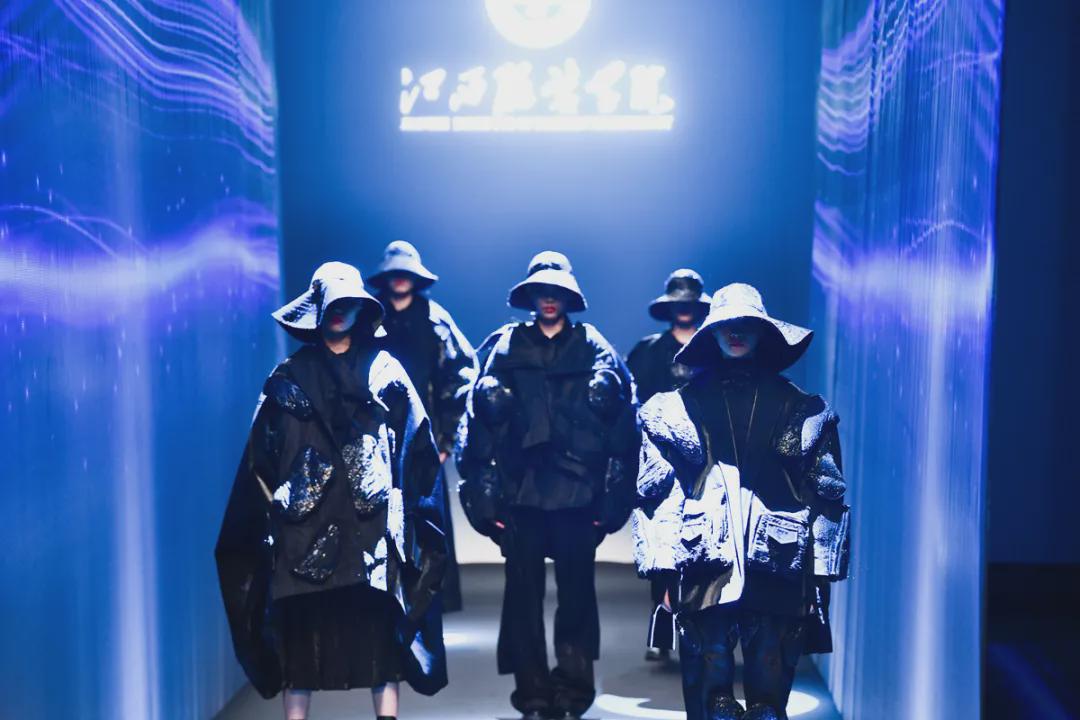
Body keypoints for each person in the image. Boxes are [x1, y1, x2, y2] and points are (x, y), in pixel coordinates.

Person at [215, 262, 449, 720]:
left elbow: (416, 454)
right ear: (317, 309)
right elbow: (260, 463)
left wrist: (413, 526)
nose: (340, 312)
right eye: (332, 303)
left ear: (362, 309)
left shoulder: (386, 374)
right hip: (304, 543)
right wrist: (273, 522)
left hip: (370, 541)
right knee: (300, 654)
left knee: (381, 650)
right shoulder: (287, 378)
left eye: (348, 303)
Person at [631, 283, 850, 720]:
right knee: (707, 695)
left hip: (780, 561)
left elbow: (826, 496)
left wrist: (820, 577)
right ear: (711, 332)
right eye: (727, 325)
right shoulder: (672, 410)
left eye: (746, 325)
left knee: (769, 697)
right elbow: (659, 495)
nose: (736, 333)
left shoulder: (802, 409)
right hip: (702, 559)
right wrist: (663, 571)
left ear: (763, 331)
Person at [455, 251, 639, 720]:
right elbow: (478, 426)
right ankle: (534, 695)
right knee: (522, 599)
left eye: (557, 292)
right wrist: (484, 502)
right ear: (531, 297)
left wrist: (612, 504)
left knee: (576, 597)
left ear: (569, 297)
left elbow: (623, 428)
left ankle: (573, 692)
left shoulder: (593, 347)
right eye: (542, 291)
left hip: (578, 497)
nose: (550, 299)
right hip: (521, 495)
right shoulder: (505, 346)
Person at [368, 240, 478, 612]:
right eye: (395, 273)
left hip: (422, 438)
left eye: (406, 272)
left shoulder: (434, 319)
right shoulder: (369, 316)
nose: (400, 279)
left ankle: (429, 605)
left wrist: (445, 440)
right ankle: (383, 603)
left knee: (425, 519)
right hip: (374, 436)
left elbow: (462, 376)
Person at [626, 268, 711, 661]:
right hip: (659, 461)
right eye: (678, 302)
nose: (683, 309)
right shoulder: (647, 352)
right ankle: (661, 624)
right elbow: (631, 407)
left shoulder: (714, 348)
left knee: (704, 540)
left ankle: (699, 627)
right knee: (661, 540)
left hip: (707, 459)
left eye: (689, 302)